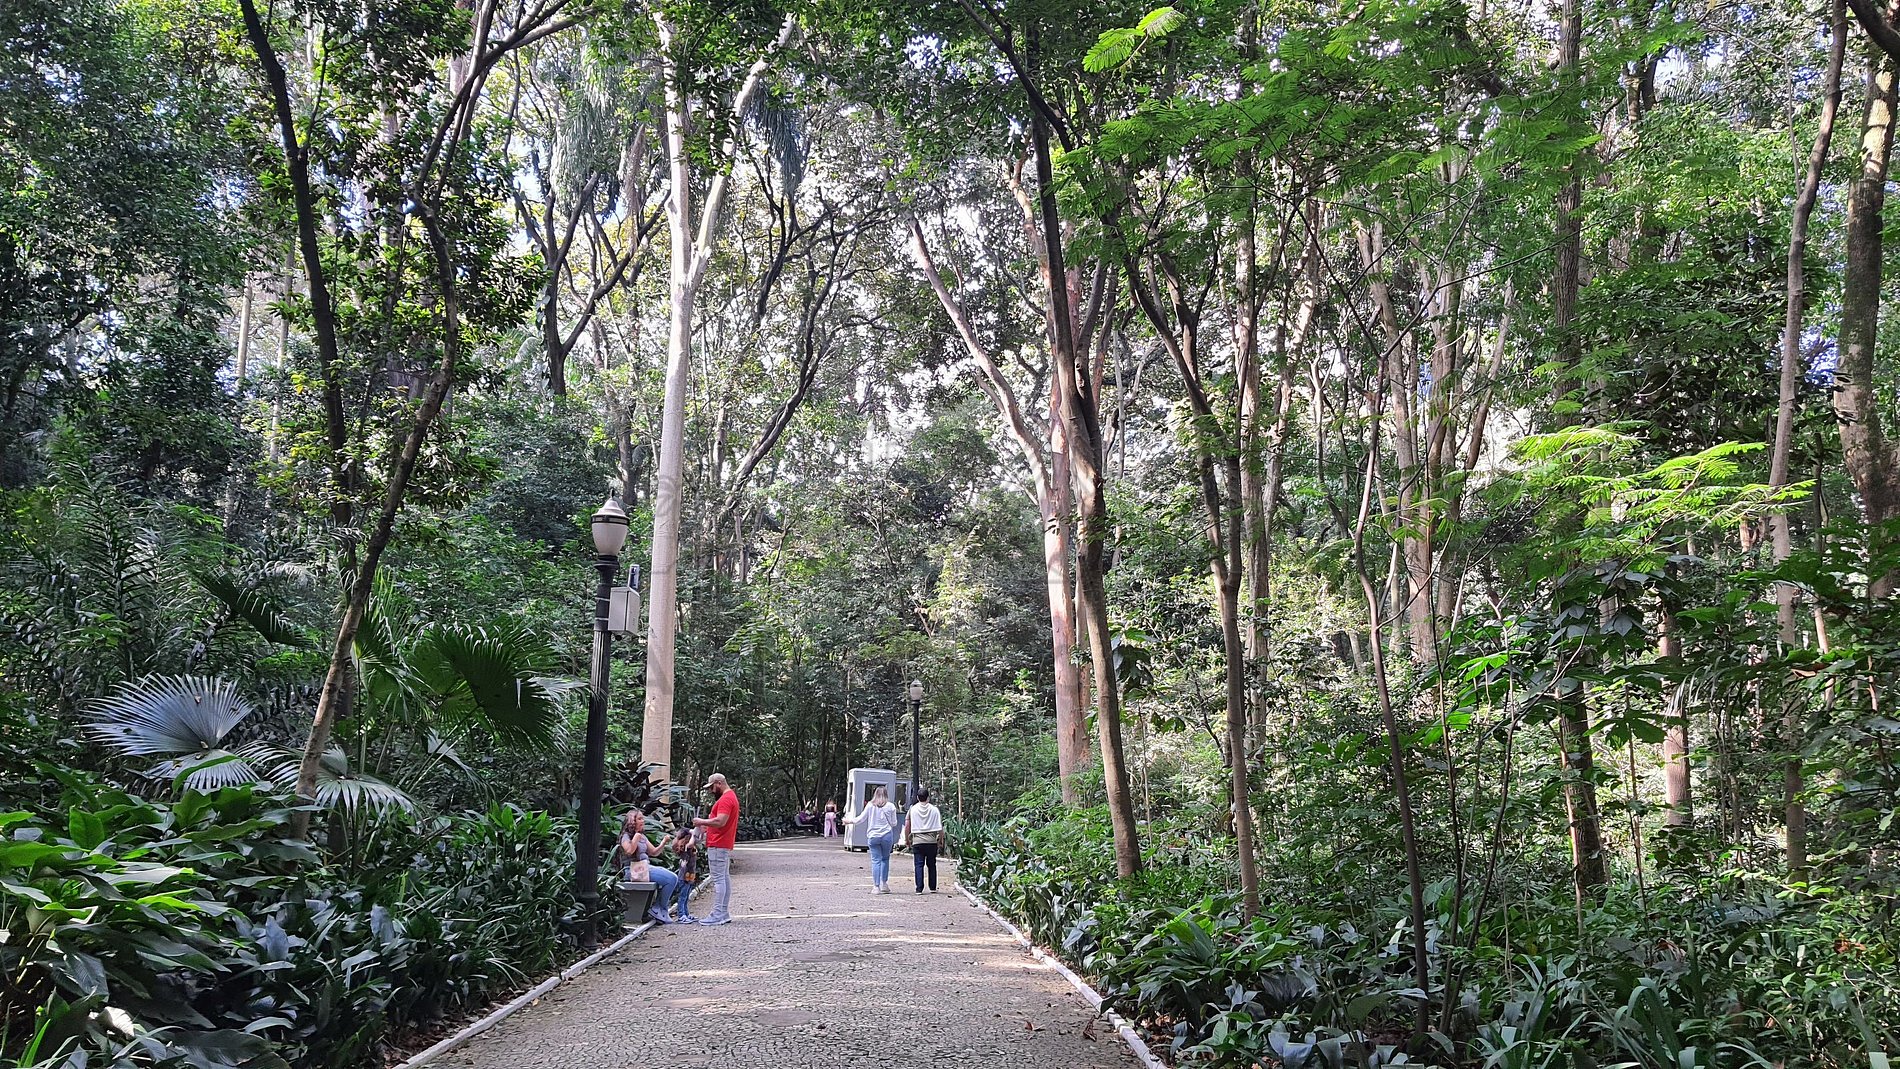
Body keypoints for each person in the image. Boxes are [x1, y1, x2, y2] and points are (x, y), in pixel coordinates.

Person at [618, 810, 683, 926]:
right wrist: (636, 837)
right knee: (671, 879)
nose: (643, 821)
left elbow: (654, 852)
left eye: (643, 818)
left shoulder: (642, 836)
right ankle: (659, 909)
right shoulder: (626, 836)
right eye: (639, 819)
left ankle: (660, 909)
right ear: (632, 822)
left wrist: (663, 842)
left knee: (672, 877)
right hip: (633, 871)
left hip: (645, 867)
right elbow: (629, 851)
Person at [691, 773, 739, 925]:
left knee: (718, 879)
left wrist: (701, 821)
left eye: (712, 787)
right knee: (723, 877)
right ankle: (723, 912)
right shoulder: (730, 797)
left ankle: (718, 913)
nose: (711, 791)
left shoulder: (725, 799)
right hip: (721, 842)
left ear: (719, 783)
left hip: (718, 843)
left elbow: (720, 821)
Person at [843, 786, 902, 893]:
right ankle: (884, 884)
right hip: (886, 836)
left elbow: (860, 819)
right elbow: (894, 823)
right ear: (886, 794)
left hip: (873, 836)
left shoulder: (870, 805)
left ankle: (876, 887)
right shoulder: (891, 806)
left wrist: (849, 821)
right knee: (885, 859)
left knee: (875, 860)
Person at [904, 788, 944, 894]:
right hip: (931, 842)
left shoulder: (913, 809)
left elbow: (907, 825)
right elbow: (940, 827)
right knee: (932, 865)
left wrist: (907, 839)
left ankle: (919, 888)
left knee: (918, 865)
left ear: (917, 798)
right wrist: (941, 840)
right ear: (928, 798)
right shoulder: (934, 810)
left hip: (917, 841)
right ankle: (932, 887)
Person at [670, 825, 698, 923]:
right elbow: (690, 842)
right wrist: (693, 833)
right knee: (682, 896)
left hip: (690, 876)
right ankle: (681, 915)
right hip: (684, 877)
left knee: (686, 897)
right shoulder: (686, 847)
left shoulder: (691, 848)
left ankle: (686, 913)